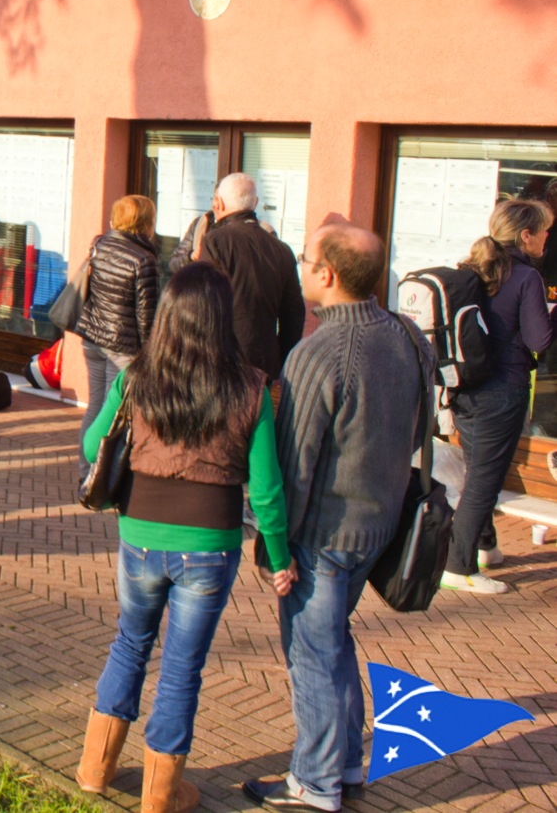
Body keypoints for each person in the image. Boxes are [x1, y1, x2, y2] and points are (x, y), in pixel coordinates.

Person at [76, 262, 289, 813]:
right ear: (222, 319)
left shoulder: (137, 378)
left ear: (167, 314)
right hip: (210, 544)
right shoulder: (251, 388)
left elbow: (94, 445)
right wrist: (279, 557)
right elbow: (266, 490)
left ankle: (95, 769)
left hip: (140, 533)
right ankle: (160, 794)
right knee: (180, 667)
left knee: (130, 642)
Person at [241, 221, 432, 813]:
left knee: (313, 656)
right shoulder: (407, 337)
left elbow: (294, 464)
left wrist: (274, 548)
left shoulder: (316, 353)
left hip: (322, 537)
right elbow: (419, 429)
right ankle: (345, 765)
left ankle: (315, 782)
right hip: (379, 527)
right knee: (333, 643)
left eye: (305, 259)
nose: (300, 268)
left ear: (326, 274)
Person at [441, 199, 557, 594]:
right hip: (503, 391)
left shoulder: (475, 268)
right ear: (526, 235)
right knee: (484, 482)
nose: (547, 237)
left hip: (465, 388)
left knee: (479, 472)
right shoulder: (526, 277)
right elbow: (540, 340)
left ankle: (485, 547)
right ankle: (458, 567)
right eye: (544, 230)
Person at [74, 195, 161, 477]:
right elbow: (146, 316)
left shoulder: (98, 245)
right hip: (122, 346)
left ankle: (86, 471)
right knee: (114, 413)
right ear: (146, 222)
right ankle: (104, 476)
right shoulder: (144, 260)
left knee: (95, 406)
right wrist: (149, 354)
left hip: (93, 339)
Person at [192, 173, 306, 383]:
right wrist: (281, 362)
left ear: (220, 203)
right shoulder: (282, 249)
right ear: (255, 203)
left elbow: (202, 305)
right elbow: (294, 316)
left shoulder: (215, 242)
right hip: (264, 365)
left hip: (221, 361)